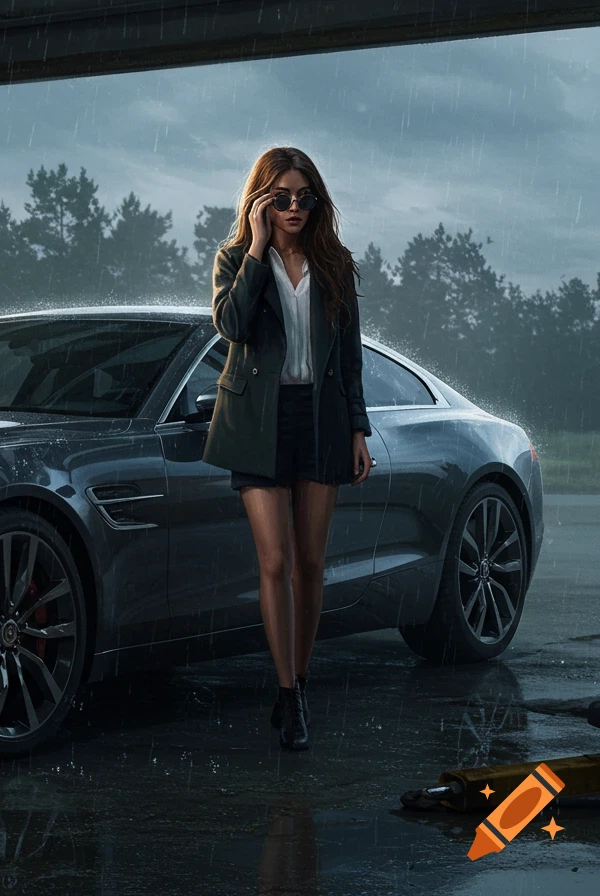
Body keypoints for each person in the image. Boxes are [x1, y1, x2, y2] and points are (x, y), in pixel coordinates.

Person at [202, 147, 372, 751]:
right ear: (261, 202)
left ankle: (301, 677)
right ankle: (288, 695)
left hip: (320, 420)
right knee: (273, 561)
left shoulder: (335, 265)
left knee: (309, 563)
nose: (295, 207)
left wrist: (358, 429)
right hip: (257, 421)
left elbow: (348, 359)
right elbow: (234, 326)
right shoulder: (235, 259)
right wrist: (254, 248)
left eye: (305, 197)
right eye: (281, 197)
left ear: (317, 203)